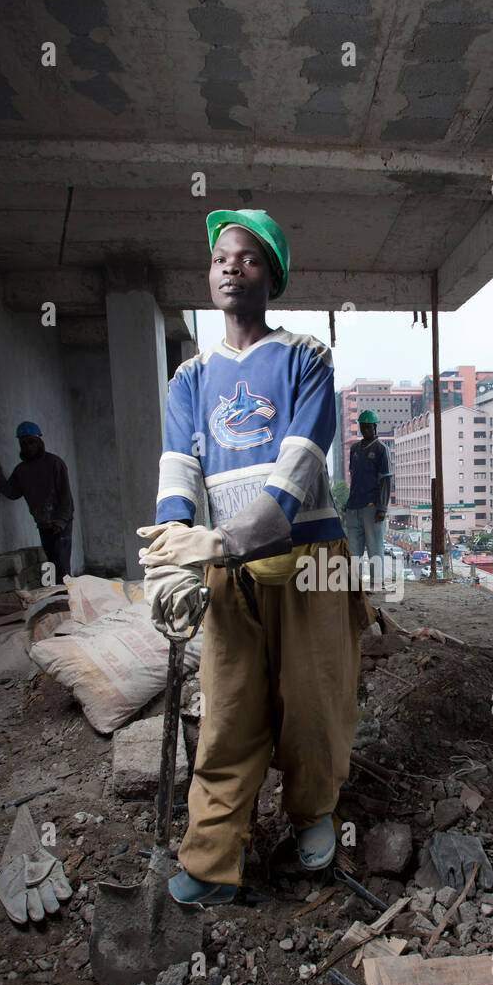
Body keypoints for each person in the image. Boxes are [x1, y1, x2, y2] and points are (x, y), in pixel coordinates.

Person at [137, 209, 372, 908]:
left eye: (247, 257)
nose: (230, 266)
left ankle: (312, 816)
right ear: (209, 276)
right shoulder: (189, 378)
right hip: (229, 574)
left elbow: (301, 465)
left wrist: (221, 542)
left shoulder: (306, 357)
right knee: (230, 712)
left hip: (309, 564)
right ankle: (211, 858)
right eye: (219, 258)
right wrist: (171, 558)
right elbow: (177, 471)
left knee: (313, 700)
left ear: (271, 275)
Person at [0, 424, 74, 582]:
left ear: (39, 441)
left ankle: (68, 597)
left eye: (31, 442)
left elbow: (66, 497)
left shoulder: (55, 463)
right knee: (52, 563)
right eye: (24, 443)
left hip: (61, 524)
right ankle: (56, 596)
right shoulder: (22, 471)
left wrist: (60, 521)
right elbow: (12, 492)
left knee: (62, 565)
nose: (28, 446)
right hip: (43, 524)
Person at [345, 410, 392, 590]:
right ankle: (354, 587)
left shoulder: (381, 449)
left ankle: (376, 584)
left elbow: (386, 479)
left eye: (368, 426)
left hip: (372, 508)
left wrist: (382, 507)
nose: (365, 429)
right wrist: (349, 502)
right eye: (362, 426)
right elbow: (354, 477)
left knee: (374, 548)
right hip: (354, 507)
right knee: (353, 550)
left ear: (375, 427)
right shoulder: (355, 449)